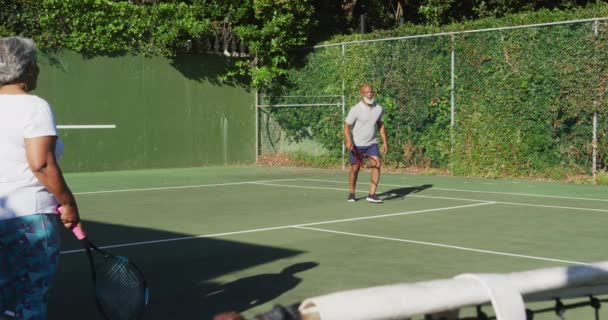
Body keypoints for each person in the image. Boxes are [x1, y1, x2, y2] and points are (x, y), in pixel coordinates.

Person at [0, 36, 82, 320]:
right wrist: (68, 203)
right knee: (30, 298)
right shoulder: (34, 106)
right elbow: (42, 163)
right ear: (29, 68)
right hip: (28, 221)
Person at [343, 84, 388, 203]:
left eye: (371, 92)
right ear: (362, 94)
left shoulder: (379, 108)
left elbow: (381, 125)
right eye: (366, 92)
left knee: (377, 165)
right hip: (357, 145)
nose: (369, 94)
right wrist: (348, 140)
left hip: (372, 144)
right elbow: (347, 126)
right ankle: (352, 192)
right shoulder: (355, 109)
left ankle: (372, 194)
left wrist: (384, 141)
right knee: (355, 169)